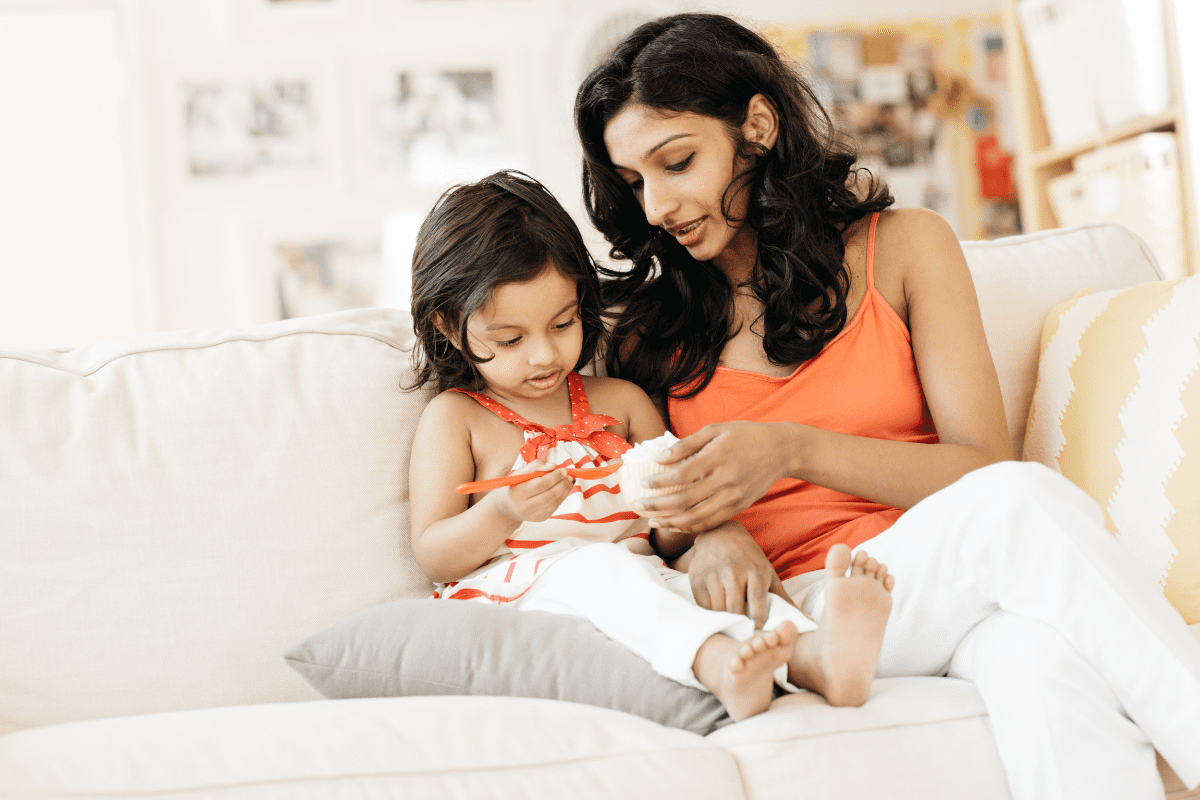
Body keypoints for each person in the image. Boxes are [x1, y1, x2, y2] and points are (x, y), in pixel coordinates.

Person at [574, 12, 1200, 800]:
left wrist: (791, 447)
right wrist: (706, 534)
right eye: (633, 182)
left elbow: (981, 467)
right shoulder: (643, 336)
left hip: (942, 581)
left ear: (757, 126)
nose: (658, 204)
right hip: (815, 618)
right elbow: (643, 506)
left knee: (1039, 660)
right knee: (1021, 506)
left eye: (677, 162)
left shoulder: (903, 247)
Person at [405, 169, 895, 722]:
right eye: (510, 340)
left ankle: (817, 655)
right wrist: (503, 510)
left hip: (637, 580)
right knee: (599, 570)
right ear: (448, 325)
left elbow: (669, 534)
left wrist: (683, 513)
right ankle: (720, 667)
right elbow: (435, 554)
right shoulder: (458, 419)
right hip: (529, 598)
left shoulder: (621, 401)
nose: (544, 356)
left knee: (701, 580)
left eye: (563, 324)